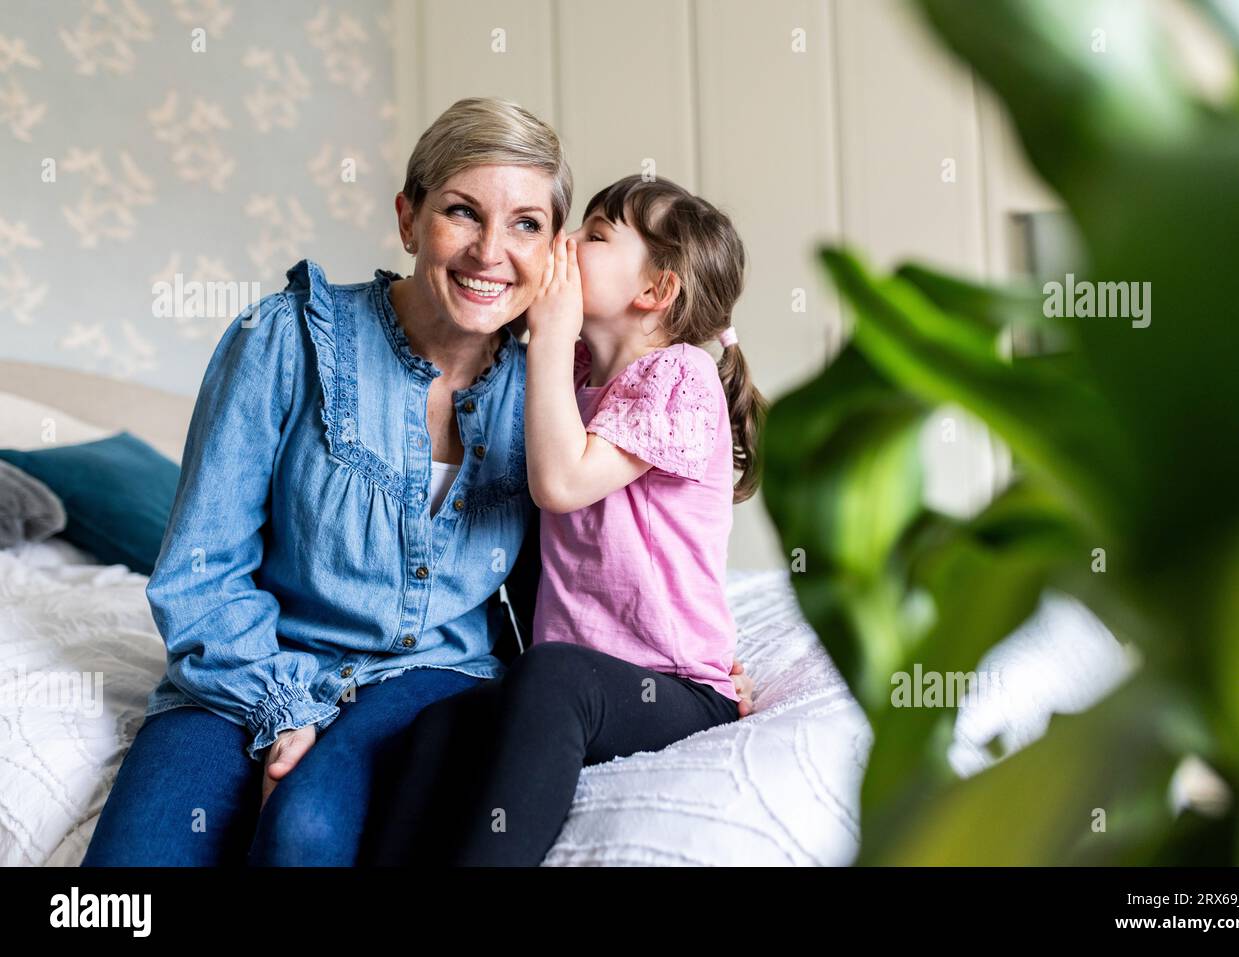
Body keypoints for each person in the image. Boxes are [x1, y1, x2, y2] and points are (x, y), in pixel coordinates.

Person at [81, 97, 756, 867]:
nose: (491, 251)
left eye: (529, 224)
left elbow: (571, 564)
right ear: (408, 219)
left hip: (428, 676)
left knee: (308, 835)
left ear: (552, 252)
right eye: (463, 212)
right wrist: (282, 708)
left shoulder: (550, 391)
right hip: (248, 668)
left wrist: (672, 668)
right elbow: (200, 572)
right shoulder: (282, 340)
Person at [372, 175, 764, 866]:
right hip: (577, 677)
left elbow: (559, 483)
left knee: (552, 678)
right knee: (435, 727)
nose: (566, 241)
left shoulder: (680, 376)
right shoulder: (577, 370)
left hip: (674, 685)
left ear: (655, 292)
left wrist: (551, 331)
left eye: (597, 235)